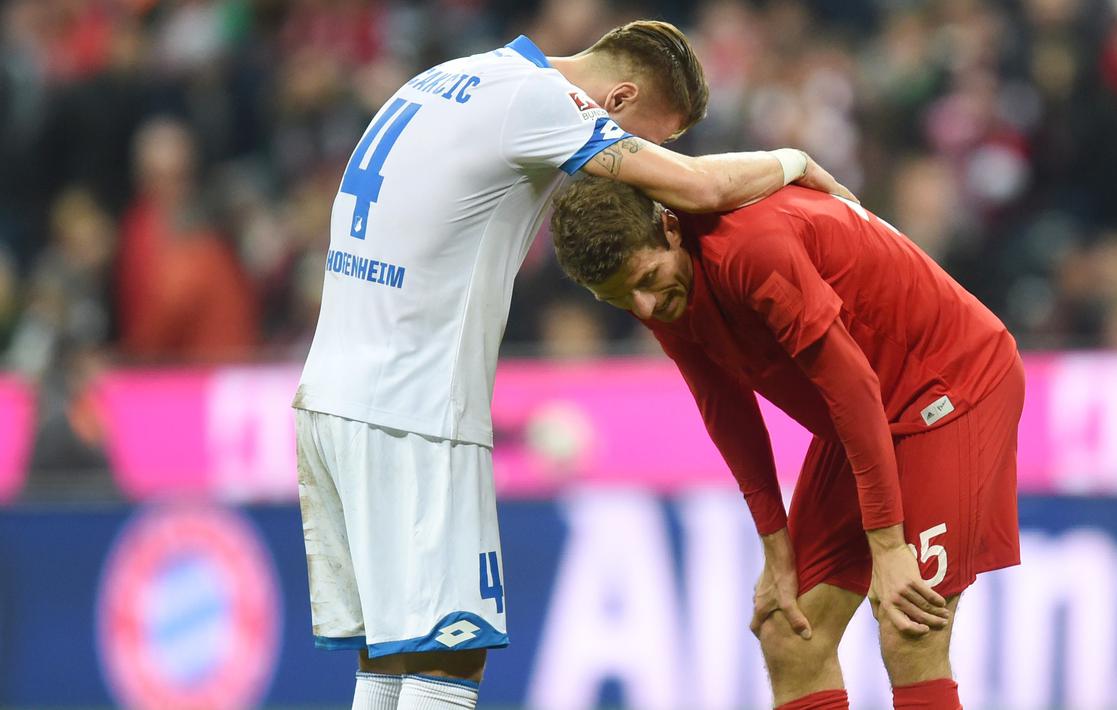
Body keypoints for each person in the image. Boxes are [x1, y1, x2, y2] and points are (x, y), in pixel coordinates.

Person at [292, 20, 854, 710]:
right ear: (617, 99)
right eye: (647, 136)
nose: (643, 158)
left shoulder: (444, 78)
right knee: (451, 653)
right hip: (414, 410)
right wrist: (792, 161)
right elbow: (698, 189)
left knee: (392, 651)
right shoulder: (537, 102)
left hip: (331, 394)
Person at [551, 176, 1025, 710]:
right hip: (867, 415)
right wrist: (776, 551)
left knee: (909, 625)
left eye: (647, 278)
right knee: (787, 632)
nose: (645, 305)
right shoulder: (660, 290)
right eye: (618, 299)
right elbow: (724, 408)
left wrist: (888, 546)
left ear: (669, 227)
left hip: (948, 388)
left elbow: (854, 387)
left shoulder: (750, 248)